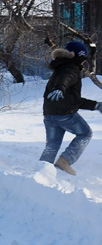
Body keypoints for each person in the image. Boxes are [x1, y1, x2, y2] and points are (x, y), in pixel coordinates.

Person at [41, 40, 99, 175]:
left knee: (51, 147)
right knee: (85, 133)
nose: (82, 62)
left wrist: (95, 105)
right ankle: (65, 161)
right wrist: (60, 88)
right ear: (75, 56)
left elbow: (73, 99)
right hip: (65, 114)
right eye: (82, 58)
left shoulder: (59, 68)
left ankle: (41, 174)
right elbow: (66, 79)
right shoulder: (71, 69)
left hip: (49, 114)